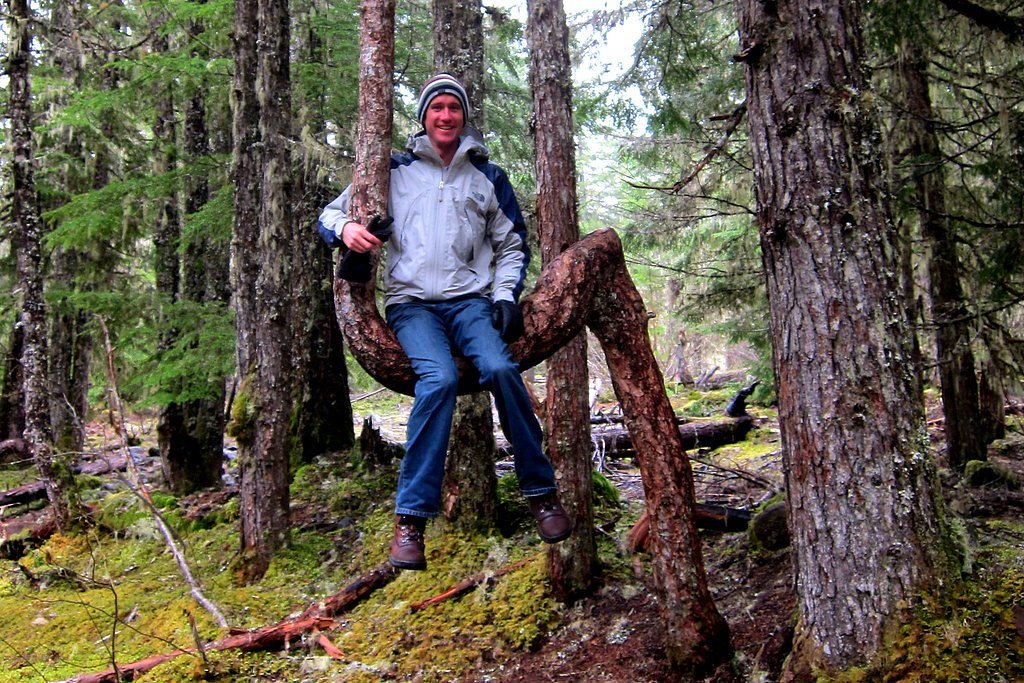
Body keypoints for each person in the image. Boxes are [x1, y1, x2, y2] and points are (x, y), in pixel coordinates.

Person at [318, 73, 572, 570]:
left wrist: (504, 296)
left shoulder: (488, 177)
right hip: (412, 306)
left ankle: (541, 493)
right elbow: (328, 214)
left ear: (464, 117)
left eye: (454, 108)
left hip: (470, 303)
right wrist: (347, 227)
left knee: (501, 369)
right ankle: (411, 519)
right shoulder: (391, 171)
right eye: (437, 108)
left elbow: (513, 243)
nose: (446, 116)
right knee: (439, 378)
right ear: (424, 117)